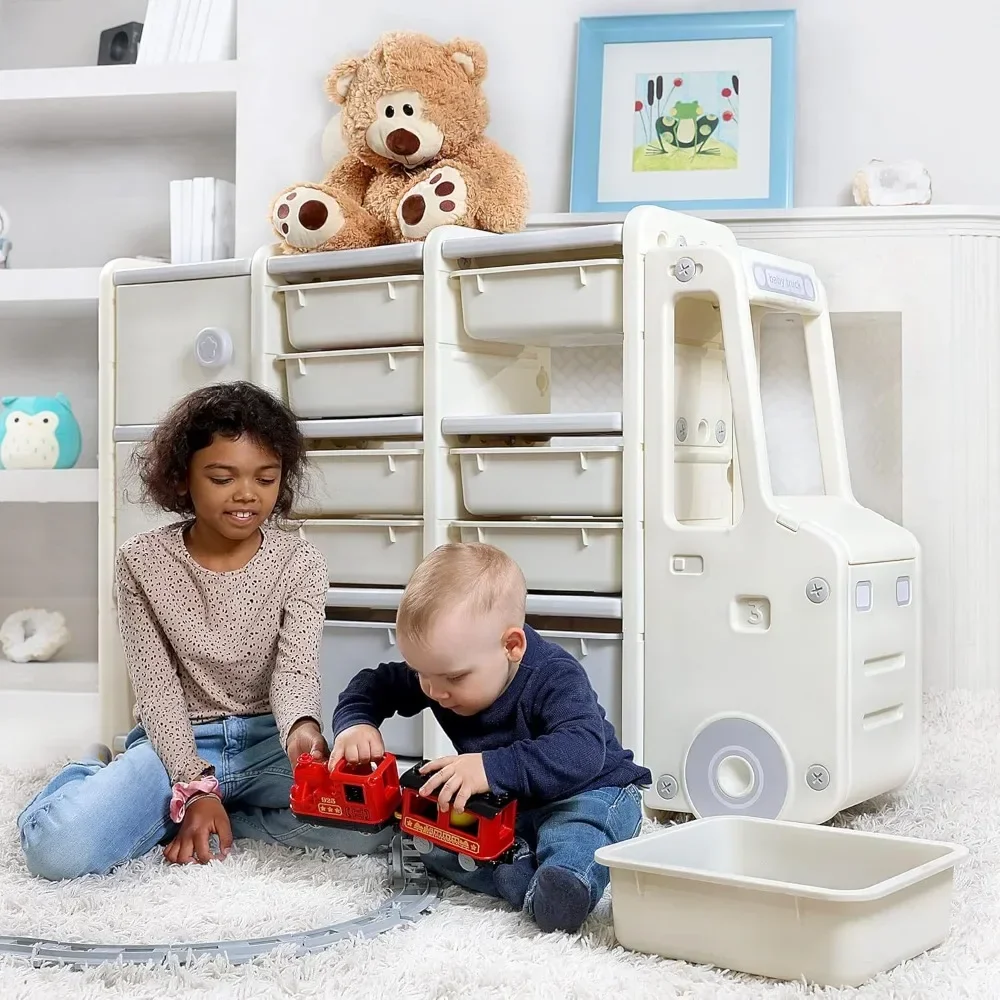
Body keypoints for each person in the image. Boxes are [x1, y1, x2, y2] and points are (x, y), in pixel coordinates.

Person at [17, 381, 348, 880]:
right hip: (174, 743)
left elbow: (295, 671)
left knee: (377, 825)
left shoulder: (300, 561)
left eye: (266, 478)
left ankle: (217, 814)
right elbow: (156, 687)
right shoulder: (142, 561)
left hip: (268, 742)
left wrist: (302, 731)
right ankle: (92, 771)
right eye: (222, 477)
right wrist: (192, 784)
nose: (246, 495)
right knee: (58, 851)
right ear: (182, 479)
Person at [329, 542, 652, 934]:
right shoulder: (440, 670)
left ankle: (563, 888)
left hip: (591, 789)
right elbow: (374, 684)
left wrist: (489, 766)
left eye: (453, 678)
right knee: (424, 834)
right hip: (509, 803)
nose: (434, 691)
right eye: (420, 673)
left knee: (578, 833)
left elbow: (583, 750)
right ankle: (512, 869)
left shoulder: (554, 676)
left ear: (511, 646)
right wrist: (356, 722)